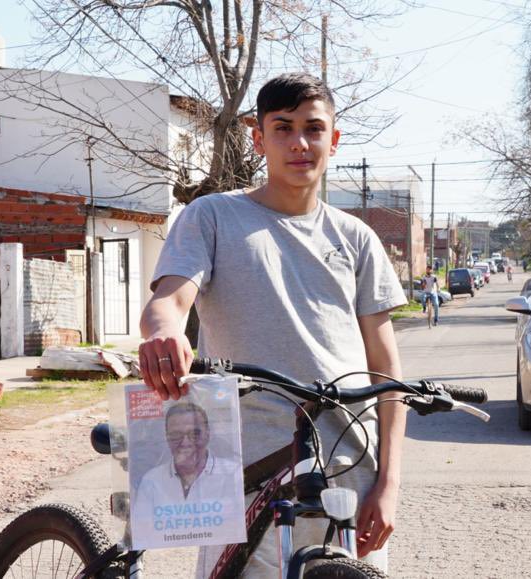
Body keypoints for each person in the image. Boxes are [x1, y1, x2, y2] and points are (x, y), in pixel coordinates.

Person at [138, 73, 407, 576]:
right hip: (246, 472)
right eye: (282, 128)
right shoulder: (212, 217)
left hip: (350, 469)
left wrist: (388, 484)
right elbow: (170, 299)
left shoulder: (357, 238)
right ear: (258, 139)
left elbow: (385, 370)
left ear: (334, 139)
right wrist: (163, 331)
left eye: (313, 128)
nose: (299, 143)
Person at [131, 402, 243, 541]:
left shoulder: (234, 475)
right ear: (166, 437)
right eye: (176, 435)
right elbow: (142, 534)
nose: (185, 442)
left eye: (195, 434)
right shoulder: (151, 481)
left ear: (208, 434)